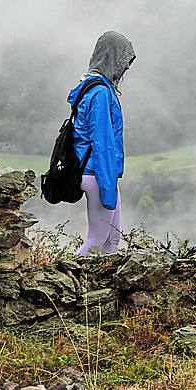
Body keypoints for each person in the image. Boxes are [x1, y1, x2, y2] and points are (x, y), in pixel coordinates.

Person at [70, 31, 136, 257]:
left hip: (99, 173)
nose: (127, 67)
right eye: (124, 60)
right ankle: (69, 283)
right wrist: (108, 190)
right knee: (97, 239)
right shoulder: (100, 94)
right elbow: (103, 144)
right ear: (112, 58)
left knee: (112, 240)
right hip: (97, 174)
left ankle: (100, 289)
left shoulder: (96, 89)